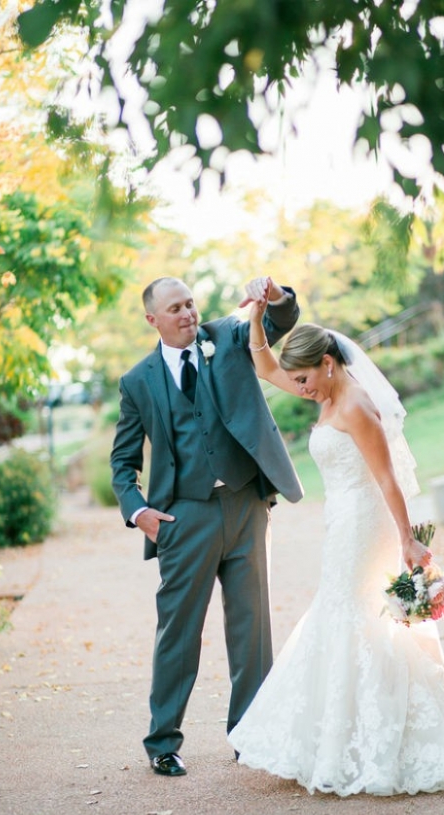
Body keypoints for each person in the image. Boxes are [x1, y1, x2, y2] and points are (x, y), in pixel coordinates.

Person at [228, 293, 444, 796]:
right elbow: (264, 366)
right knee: (345, 613)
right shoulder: (326, 395)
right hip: (340, 519)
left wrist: (408, 542)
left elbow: (388, 481)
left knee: (354, 615)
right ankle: (342, 736)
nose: (298, 389)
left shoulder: (356, 406)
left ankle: (379, 740)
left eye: (303, 379)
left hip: (362, 523)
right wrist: (257, 316)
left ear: (326, 364)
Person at [110, 275, 303, 777]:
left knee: (251, 627)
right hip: (184, 517)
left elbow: (280, 322)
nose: (188, 314)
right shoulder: (137, 382)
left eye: (190, 303)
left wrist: (274, 296)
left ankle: (251, 734)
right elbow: (123, 461)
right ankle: (163, 742)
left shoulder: (229, 336)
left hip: (244, 505)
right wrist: (139, 511)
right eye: (175, 308)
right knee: (179, 631)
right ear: (153, 319)